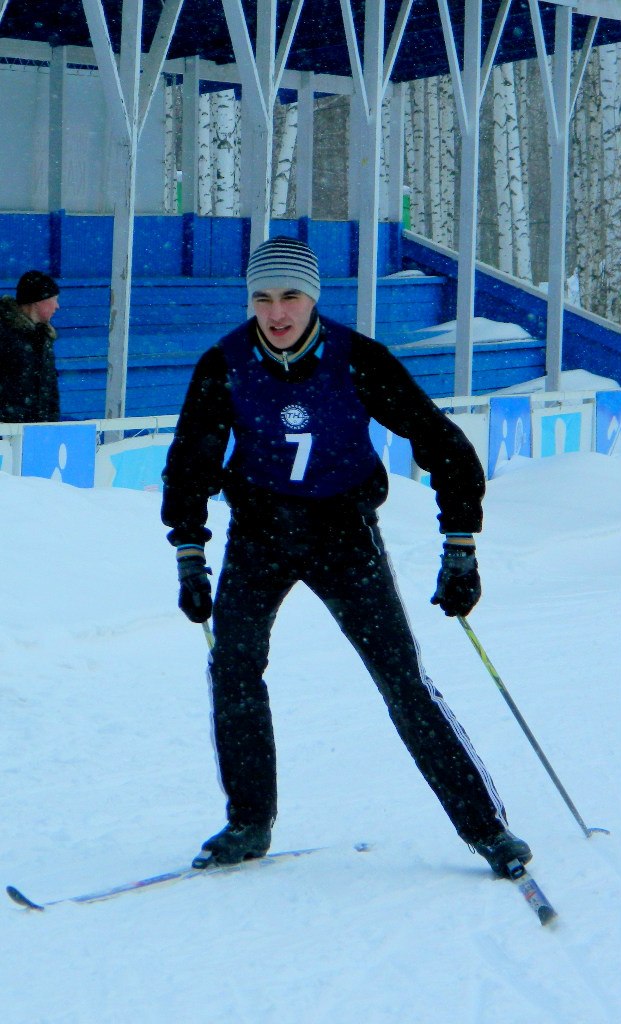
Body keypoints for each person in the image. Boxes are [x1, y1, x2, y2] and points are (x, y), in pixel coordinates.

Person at [161, 236, 532, 877]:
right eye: (262, 298)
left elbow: (444, 446)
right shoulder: (224, 364)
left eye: (290, 296)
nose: (277, 313)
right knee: (234, 669)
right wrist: (190, 553)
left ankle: (486, 829)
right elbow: (190, 464)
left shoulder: (357, 359)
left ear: (314, 297)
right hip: (260, 536)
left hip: (342, 536)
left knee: (402, 680)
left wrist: (460, 547)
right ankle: (249, 822)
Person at [0, 270, 61, 423]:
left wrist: (51, 422)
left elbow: (51, 389)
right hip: (8, 429)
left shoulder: (44, 338)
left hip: (38, 429)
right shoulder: (5, 335)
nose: (57, 306)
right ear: (38, 301)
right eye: (54, 300)